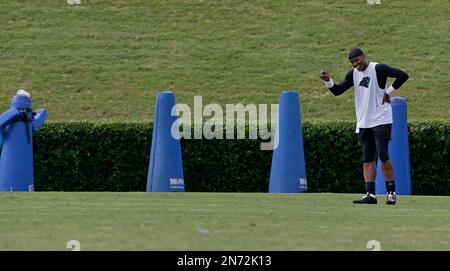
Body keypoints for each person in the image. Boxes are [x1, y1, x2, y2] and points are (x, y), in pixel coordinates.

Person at [320, 48, 409, 204]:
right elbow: (338, 91)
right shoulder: (353, 74)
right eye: (352, 62)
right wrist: (328, 80)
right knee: (367, 158)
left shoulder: (378, 69)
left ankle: (391, 193)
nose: (356, 64)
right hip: (364, 122)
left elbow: (403, 76)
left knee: (382, 155)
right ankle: (370, 195)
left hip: (381, 119)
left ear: (364, 57)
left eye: (357, 60)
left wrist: (388, 92)